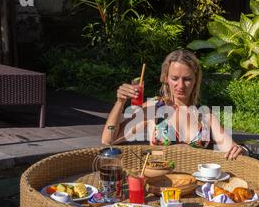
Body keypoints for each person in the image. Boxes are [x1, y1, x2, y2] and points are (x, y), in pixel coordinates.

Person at [101, 49, 248, 160]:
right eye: (175, 78)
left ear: (196, 79)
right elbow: (108, 140)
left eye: (187, 79)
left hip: (195, 184)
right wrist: (120, 102)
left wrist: (241, 150)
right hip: (160, 182)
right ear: (165, 78)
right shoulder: (154, 108)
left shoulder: (204, 114)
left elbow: (231, 149)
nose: (181, 85)